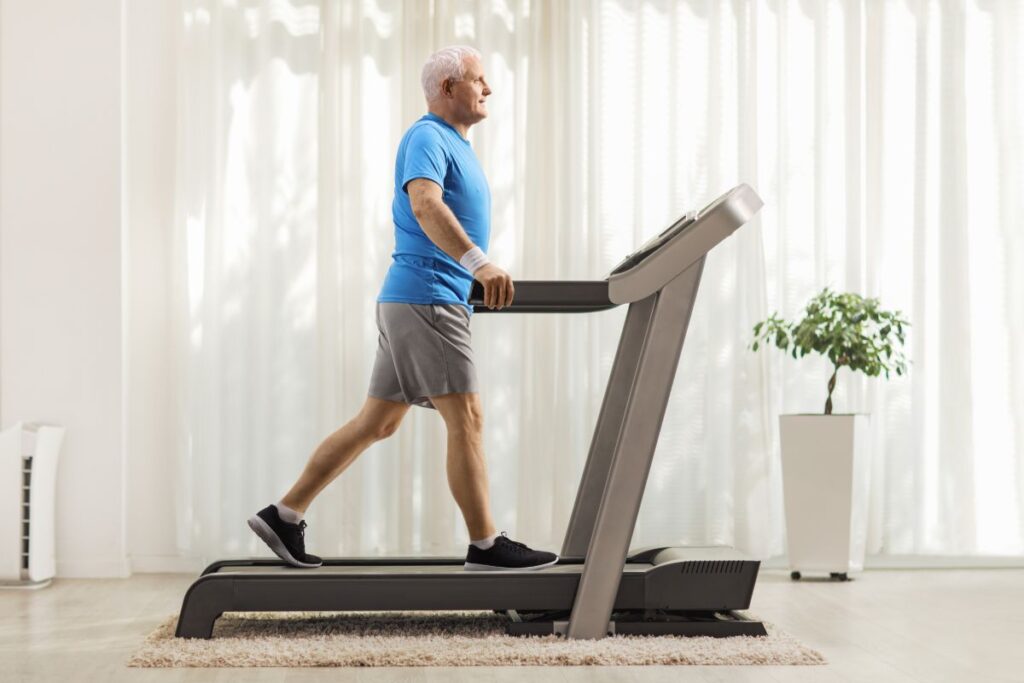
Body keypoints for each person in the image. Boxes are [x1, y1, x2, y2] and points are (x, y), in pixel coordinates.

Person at [248, 45, 558, 572]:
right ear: (447, 88)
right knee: (468, 419)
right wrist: (479, 264)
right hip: (428, 296)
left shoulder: (454, 144)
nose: (489, 89)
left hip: (418, 298)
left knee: (377, 423)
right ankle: (485, 545)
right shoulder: (428, 136)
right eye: (479, 80)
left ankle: (284, 514)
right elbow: (424, 204)